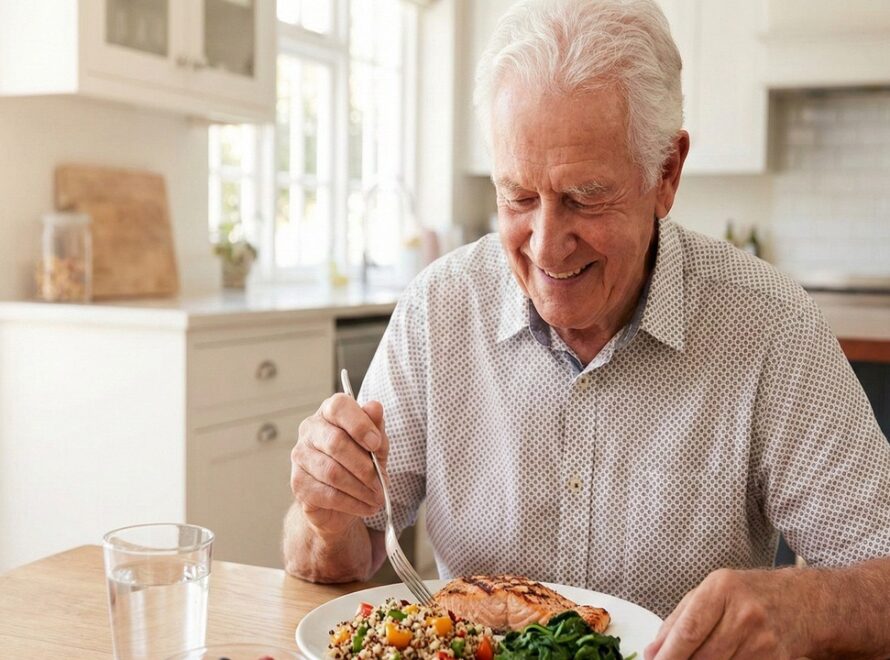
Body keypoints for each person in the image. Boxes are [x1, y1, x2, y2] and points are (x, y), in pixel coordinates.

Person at [283, 0, 890, 657]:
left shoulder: (769, 326)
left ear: (667, 174)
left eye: (584, 197)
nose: (546, 247)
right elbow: (341, 556)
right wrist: (326, 513)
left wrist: (800, 607)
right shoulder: (440, 308)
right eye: (518, 196)